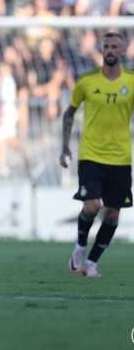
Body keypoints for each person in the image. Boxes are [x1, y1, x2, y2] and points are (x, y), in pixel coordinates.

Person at [60, 32, 134, 278]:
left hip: (121, 158)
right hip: (90, 155)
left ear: (123, 51)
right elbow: (68, 113)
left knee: (113, 212)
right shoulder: (86, 81)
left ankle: (91, 263)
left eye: (115, 46)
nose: (111, 50)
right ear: (102, 51)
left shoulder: (132, 81)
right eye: (107, 46)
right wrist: (65, 147)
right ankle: (80, 247)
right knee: (91, 206)